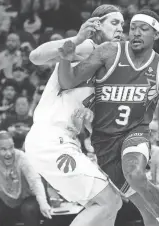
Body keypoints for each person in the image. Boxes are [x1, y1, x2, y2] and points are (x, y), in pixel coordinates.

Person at [58, 9, 159, 226]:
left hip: (135, 133)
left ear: (156, 35)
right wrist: (65, 58)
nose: (136, 33)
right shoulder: (109, 52)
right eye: (133, 28)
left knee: (134, 172)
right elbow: (68, 82)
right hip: (103, 143)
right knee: (146, 210)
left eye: (143, 29)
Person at [25, 4, 124, 226]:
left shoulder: (108, 69)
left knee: (108, 206)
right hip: (50, 139)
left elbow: (94, 129)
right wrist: (77, 39)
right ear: (97, 25)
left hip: (65, 141)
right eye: (115, 22)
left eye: (123, 25)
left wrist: (91, 120)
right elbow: (35, 56)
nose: (121, 29)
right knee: (109, 202)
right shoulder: (89, 47)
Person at [0, 131, 51, 226]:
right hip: (5, 201)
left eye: (11, 148)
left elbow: (35, 181)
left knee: (28, 209)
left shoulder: (21, 157)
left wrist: (43, 203)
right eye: (3, 149)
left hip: (26, 199)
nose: (9, 153)